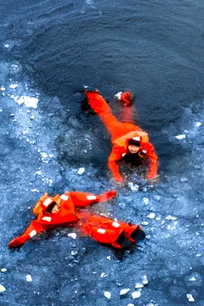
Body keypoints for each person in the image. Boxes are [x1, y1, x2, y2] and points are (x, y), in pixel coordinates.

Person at [8, 189, 141, 251]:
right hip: (75, 226)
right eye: (51, 209)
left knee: (104, 220)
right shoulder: (44, 221)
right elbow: (34, 229)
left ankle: (128, 229)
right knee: (93, 230)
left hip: (83, 215)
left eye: (54, 206)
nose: (54, 209)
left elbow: (80, 198)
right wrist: (22, 239)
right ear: (46, 211)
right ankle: (113, 237)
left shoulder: (66, 200)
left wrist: (98, 198)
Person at [83, 88, 159, 182]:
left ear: (140, 145)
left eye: (136, 147)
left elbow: (153, 159)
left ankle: (125, 99)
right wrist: (118, 179)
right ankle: (92, 94)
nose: (133, 149)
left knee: (128, 118)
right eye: (132, 147)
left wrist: (152, 175)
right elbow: (112, 161)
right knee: (106, 115)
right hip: (117, 130)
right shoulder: (119, 147)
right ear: (127, 144)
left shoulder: (145, 145)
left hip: (132, 127)